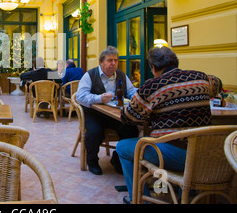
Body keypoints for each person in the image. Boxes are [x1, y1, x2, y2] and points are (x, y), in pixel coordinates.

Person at [116, 46, 222, 204]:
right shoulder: (202, 78)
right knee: (187, 140)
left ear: (153, 67)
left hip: (175, 155)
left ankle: (138, 200)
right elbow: (218, 84)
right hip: (207, 152)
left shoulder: (153, 86)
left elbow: (128, 116)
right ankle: (188, 195)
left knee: (123, 147)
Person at [76, 46, 138, 175]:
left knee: (131, 129)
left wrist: (138, 96)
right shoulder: (90, 75)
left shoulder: (121, 75)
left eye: (116, 60)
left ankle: (118, 158)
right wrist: (99, 98)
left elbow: (131, 91)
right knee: (94, 132)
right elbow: (80, 97)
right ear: (101, 62)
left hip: (114, 114)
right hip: (94, 114)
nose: (113, 63)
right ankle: (92, 161)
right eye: (110, 60)